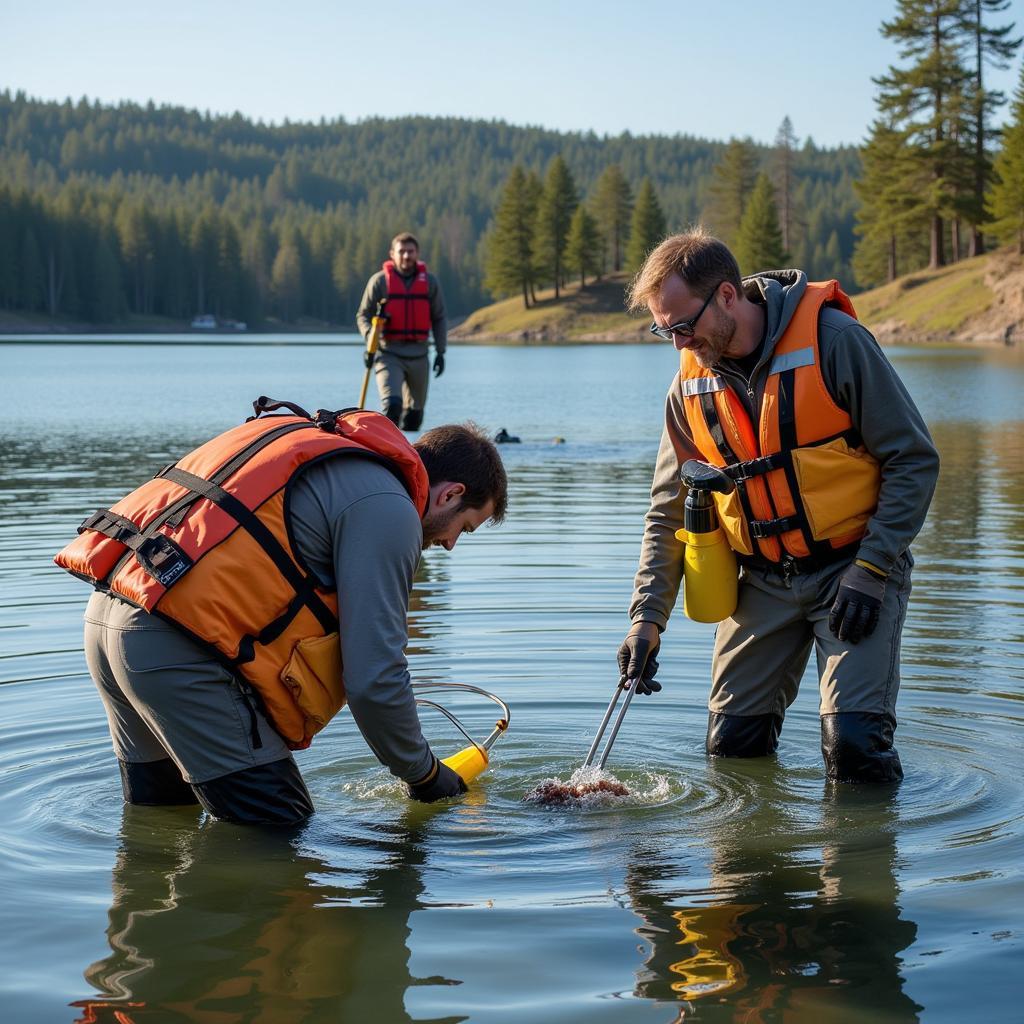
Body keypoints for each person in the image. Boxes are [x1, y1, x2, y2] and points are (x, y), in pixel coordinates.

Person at [55, 398, 507, 825]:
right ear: (451, 494)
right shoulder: (390, 510)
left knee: (158, 825)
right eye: (464, 528)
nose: (449, 545)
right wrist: (426, 776)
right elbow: (374, 679)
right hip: (178, 652)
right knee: (278, 838)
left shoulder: (327, 453)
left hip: (107, 622)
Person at [617, 228, 939, 784]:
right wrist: (646, 619)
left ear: (724, 296)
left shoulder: (836, 341)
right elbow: (668, 513)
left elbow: (913, 459)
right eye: (662, 329)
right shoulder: (686, 390)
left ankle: (861, 859)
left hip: (854, 571)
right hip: (759, 582)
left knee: (856, 749)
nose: (676, 344)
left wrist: (873, 565)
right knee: (732, 748)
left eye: (682, 326)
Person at [357, 232, 447, 431]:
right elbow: (363, 315)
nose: (406, 256)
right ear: (392, 254)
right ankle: (388, 455)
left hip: (420, 355)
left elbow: (439, 317)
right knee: (392, 407)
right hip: (388, 354)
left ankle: (409, 457)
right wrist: (370, 337)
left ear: (417, 253)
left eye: (410, 251)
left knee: (414, 417)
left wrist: (441, 352)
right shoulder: (379, 282)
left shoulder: (430, 283)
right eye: (401, 252)